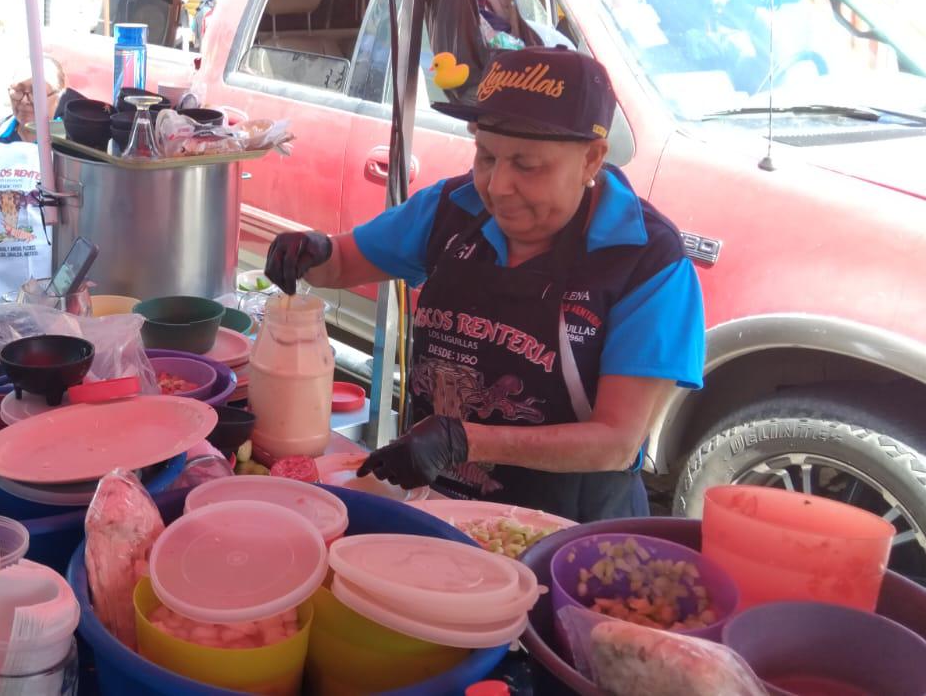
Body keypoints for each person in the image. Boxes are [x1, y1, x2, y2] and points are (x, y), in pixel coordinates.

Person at [266, 47, 704, 522]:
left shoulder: (646, 260)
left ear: (591, 158)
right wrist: (312, 251)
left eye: (527, 165)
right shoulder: (453, 208)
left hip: (561, 532)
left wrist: (463, 440)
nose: (497, 186)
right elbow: (343, 262)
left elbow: (616, 442)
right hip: (436, 505)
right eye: (486, 156)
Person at [0, 55, 79, 303]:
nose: (24, 101)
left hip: (49, 278)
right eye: (17, 91)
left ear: (59, 94)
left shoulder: (71, 141)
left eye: (35, 92)